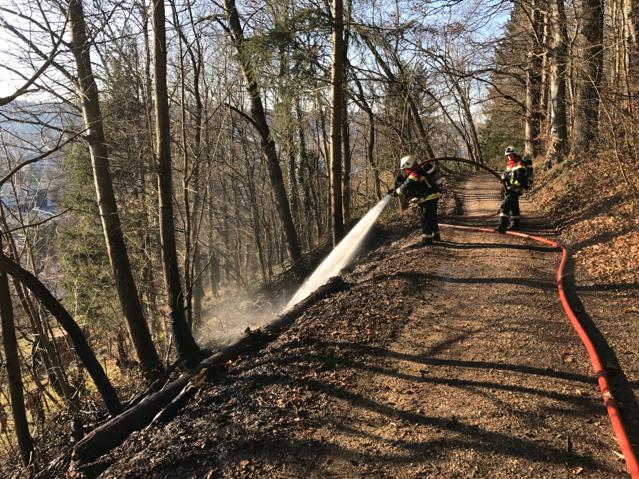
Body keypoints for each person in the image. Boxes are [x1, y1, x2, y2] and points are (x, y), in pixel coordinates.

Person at [389, 154, 443, 245]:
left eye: (405, 169)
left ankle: (427, 240)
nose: (405, 171)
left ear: (409, 165)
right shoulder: (418, 170)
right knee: (432, 218)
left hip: (428, 198)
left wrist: (396, 193)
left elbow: (406, 185)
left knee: (425, 219)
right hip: (431, 197)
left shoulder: (415, 173)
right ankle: (436, 236)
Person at [496, 146, 528, 233]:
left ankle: (502, 225)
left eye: (510, 154)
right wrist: (503, 182)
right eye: (507, 155)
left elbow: (521, 179)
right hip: (509, 190)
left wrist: (513, 187)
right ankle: (515, 225)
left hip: (515, 190)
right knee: (514, 207)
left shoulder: (520, 164)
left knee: (504, 206)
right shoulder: (510, 165)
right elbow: (506, 175)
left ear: (515, 154)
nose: (509, 156)